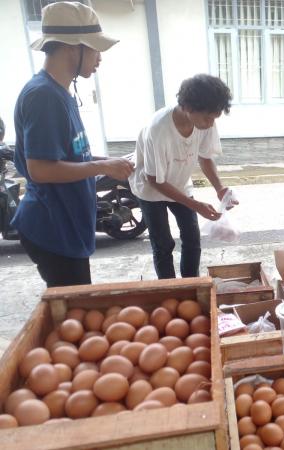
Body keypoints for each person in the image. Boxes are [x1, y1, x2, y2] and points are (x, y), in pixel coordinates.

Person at [11, 2, 134, 288]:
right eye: (94, 49)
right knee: (73, 316)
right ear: (71, 47)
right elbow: (40, 169)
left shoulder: (59, 91)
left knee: (76, 310)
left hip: (66, 225)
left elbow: (74, 155)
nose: (99, 58)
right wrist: (103, 166)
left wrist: (112, 161)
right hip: (52, 227)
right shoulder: (44, 97)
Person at [129, 74, 234, 279]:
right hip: (150, 190)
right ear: (187, 107)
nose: (211, 123)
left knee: (192, 238)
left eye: (215, 117)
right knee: (163, 244)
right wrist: (195, 205)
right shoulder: (158, 130)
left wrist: (220, 189)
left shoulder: (205, 123)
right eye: (207, 117)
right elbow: (154, 179)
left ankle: (190, 284)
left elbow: (205, 158)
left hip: (179, 184)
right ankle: (169, 289)